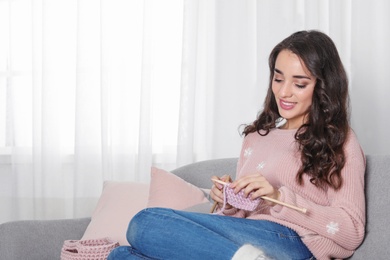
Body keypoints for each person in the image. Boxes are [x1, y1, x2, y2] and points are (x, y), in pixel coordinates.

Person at [108, 30, 365, 260]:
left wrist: (278, 198)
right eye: (278, 79)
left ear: (322, 87)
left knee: (145, 222)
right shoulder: (256, 138)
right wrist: (228, 202)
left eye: (299, 84)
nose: (284, 92)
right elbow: (241, 217)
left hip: (291, 241)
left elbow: (351, 231)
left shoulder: (340, 141)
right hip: (243, 240)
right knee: (121, 255)